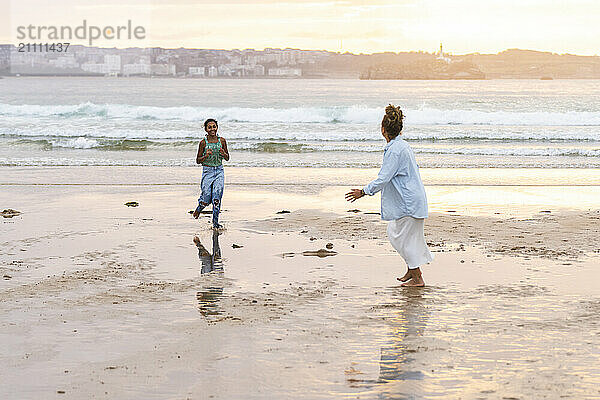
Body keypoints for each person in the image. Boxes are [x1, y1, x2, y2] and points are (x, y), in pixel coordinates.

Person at [345, 104, 433, 287]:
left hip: (409, 202)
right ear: (399, 129)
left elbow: (384, 178)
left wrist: (363, 192)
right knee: (406, 237)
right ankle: (412, 270)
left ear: (383, 130)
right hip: (413, 199)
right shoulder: (402, 146)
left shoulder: (395, 150)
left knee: (398, 236)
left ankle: (417, 278)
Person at [193, 118, 230, 229]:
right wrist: (205, 156)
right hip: (207, 172)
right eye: (210, 127)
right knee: (206, 198)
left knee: (216, 197)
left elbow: (227, 158)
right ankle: (199, 209)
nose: (212, 129)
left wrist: (223, 153)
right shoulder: (203, 142)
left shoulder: (222, 141)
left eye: (214, 126)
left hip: (219, 171)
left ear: (217, 127)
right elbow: (198, 160)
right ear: (205, 129)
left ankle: (215, 224)